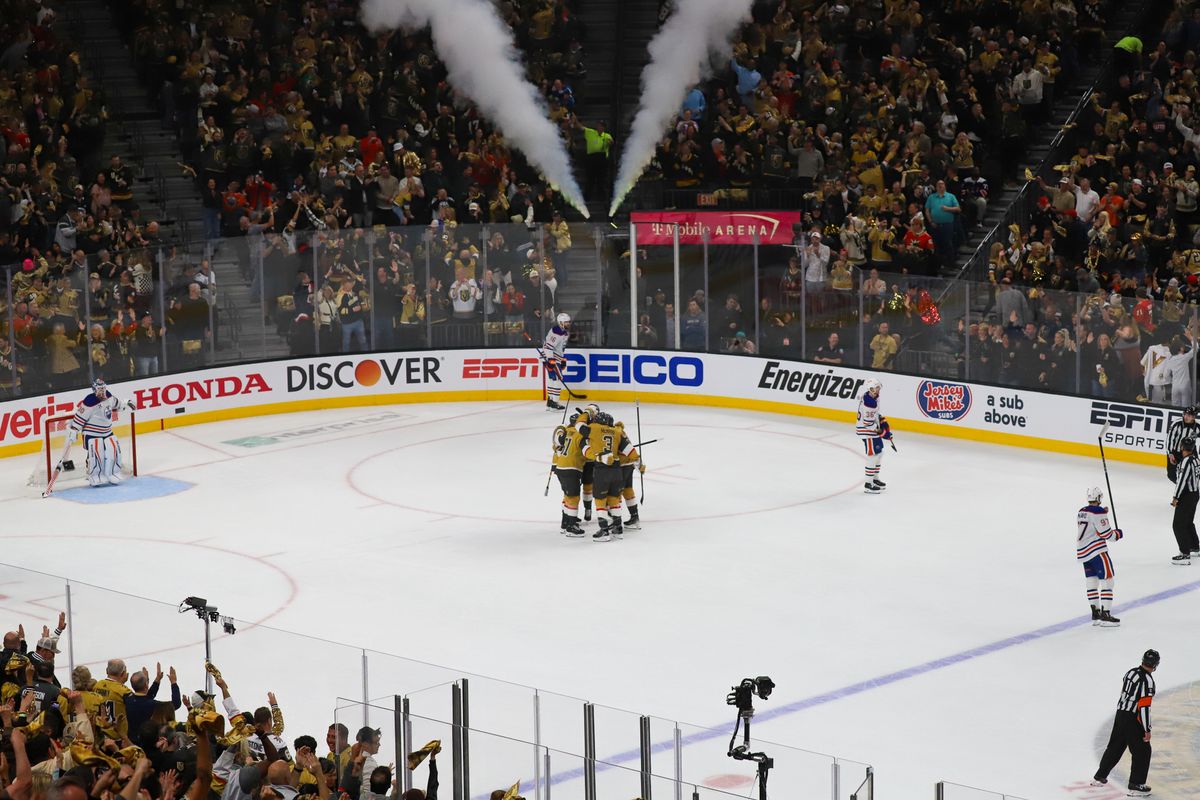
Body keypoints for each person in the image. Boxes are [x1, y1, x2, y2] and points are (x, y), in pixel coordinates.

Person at [1091, 649, 1159, 797]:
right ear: (1155, 665)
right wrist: (1147, 729)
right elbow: (1144, 707)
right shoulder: (1147, 681)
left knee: (1115, 746)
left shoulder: (1130, 673)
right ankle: (1136, 785)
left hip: (1121, 714)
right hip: (1133, 718)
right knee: (1143, 750)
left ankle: (1100, 777)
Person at [581, 411, 639, 542]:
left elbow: (580, 428)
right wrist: (638, 462)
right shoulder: (617, 432)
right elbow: (631, 451)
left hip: (602, 470)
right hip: (617, 470)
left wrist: (587, 412)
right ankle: (618, 529)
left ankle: (604, 531)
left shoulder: (595, 429)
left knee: (600, 500)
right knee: (614, 499)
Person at [66, 378, 135, 486]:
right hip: (92, 433)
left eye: (103, 388)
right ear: (94, 389)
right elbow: (80, 418)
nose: (102, 391)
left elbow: (117, 405)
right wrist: (74, 430)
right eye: (99, 389)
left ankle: (113, 472)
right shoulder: (89, 401)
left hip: (107, 431)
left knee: (114, 449)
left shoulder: (108, 396)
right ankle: (94, 475)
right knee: (97, 453)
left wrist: (126, 404)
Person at [1076, 487, 1123, 627]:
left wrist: (1104, 514)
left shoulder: (1082, 511)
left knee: (1092, 581)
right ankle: (1106, 615)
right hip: (1097, 551)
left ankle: (1095, 614)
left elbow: (1093, 523)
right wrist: (1117, 534)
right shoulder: (1098, 512)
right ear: (1098, 498)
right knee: (1108, 581)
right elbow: (1107, 534)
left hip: (1083, 552)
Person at [552, 413, 587, 537]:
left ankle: (566, 521)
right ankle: (571, 527)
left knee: (567, 495)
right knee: (573, 497)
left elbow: (556, 446)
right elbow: (586, 452)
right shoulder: (580, 434)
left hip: (560, 467)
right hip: (571, 468)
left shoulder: (567, 432)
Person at [856, 379, 893, 494]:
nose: (877, 390)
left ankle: (875, 479)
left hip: (870, 429)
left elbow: (875, 414)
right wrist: (883, 433)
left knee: (880, 453)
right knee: (873, 455)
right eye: (875, 388)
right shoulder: (869, 403)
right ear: (870, 389)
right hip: (867, 431)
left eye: (878, 388)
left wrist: (883, 420)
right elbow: (868, 424)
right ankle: (868, 483)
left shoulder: (872, 397)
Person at [1170, 437, 1200, 564]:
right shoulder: (1196, 460)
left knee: (1178, 524)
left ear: (1182, 447)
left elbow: (1182, 481)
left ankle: (1184, 553)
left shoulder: (1186, 461)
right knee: (1188, 522)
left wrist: (1176, 497)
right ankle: (1195, 547)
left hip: (1186, 495)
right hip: (1195, 494)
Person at [615, 420, 645, 530]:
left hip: (622, 466)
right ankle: (634, 517)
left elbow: (629, 449)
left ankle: (616, 521)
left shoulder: (616, 432)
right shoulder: (621, 432)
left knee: (616, 492)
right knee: (627, 489)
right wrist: (639, 464)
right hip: (629, 465)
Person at [542, 312, 571, 411]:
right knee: (558, 379)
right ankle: (554, 403)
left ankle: (550, 402)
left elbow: (561, 348)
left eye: (568, 322)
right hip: (550, 357)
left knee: (553, 379)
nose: (568, 324)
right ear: (561, 322)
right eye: (566, 322)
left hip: (555, 358)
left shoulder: (564, 333)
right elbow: (547, 347)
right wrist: (550, 359)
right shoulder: (556, 331)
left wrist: (562, 359)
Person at [1166, 406, 1200, 482]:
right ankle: (1180, 486)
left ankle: (1189, 487)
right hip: (1175, 452)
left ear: (1194, 417)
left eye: (1189, 415)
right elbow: (1170, 439)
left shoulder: (1198, 427)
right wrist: (1170, 454)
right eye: (1186, 414)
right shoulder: (1176, 424)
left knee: (1195, 472)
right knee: (1171, 475)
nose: (1186, 417)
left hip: (1190, 452)